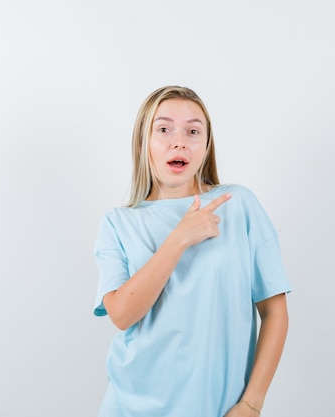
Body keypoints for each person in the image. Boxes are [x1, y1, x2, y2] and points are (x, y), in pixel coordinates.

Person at [93, 86, 291, 417]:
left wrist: (252, 404)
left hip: (219, 408)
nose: (179, 141)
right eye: (164, 129)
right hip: (129, 407)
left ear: (206, 145)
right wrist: (179, 238)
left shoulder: (238, 205)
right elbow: (122, 315)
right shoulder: (118, 222)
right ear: (145, 142)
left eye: (193, 131)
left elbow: (275, 312)